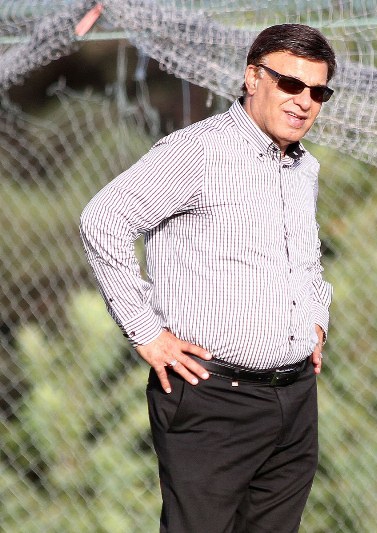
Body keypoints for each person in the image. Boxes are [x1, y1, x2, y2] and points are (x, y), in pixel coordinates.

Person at [80, 24, 336, 533]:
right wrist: (146, 332)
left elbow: (304, 260)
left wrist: (316, 320)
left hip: (294, 398)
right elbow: (104, 219)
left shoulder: (304, 167)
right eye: (290, 84)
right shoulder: (199, 152)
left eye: (318, 91)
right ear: (252, 78)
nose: (303, 101)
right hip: (212, 397)